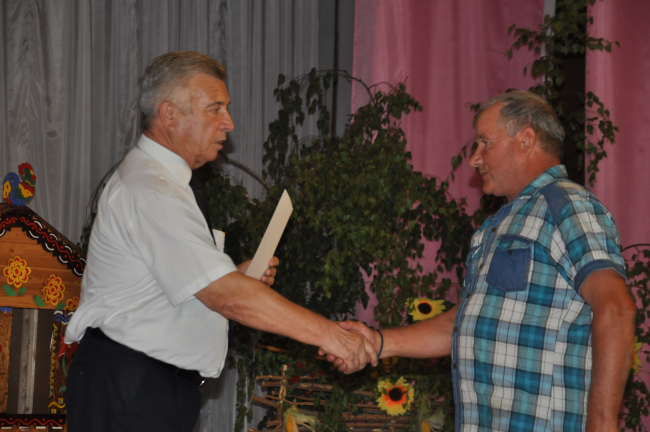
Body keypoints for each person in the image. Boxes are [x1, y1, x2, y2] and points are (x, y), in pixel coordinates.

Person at [64, 51, 377, 432]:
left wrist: (234, 277)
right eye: (215, 108)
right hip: (129, 388)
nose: (229, 122)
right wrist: (331, 335)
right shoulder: (152, 191)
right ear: (169, 114)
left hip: (142, 387)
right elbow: (227, 297)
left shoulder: (163, 183)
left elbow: (167, 290)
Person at [326, 91, 636, 432]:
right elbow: (465, 322)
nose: (474, 158)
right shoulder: (498, 226)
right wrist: (379, 343)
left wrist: (602, 424)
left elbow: (616, 307)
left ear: (526, 140)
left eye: (485, 143)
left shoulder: (567, 206)